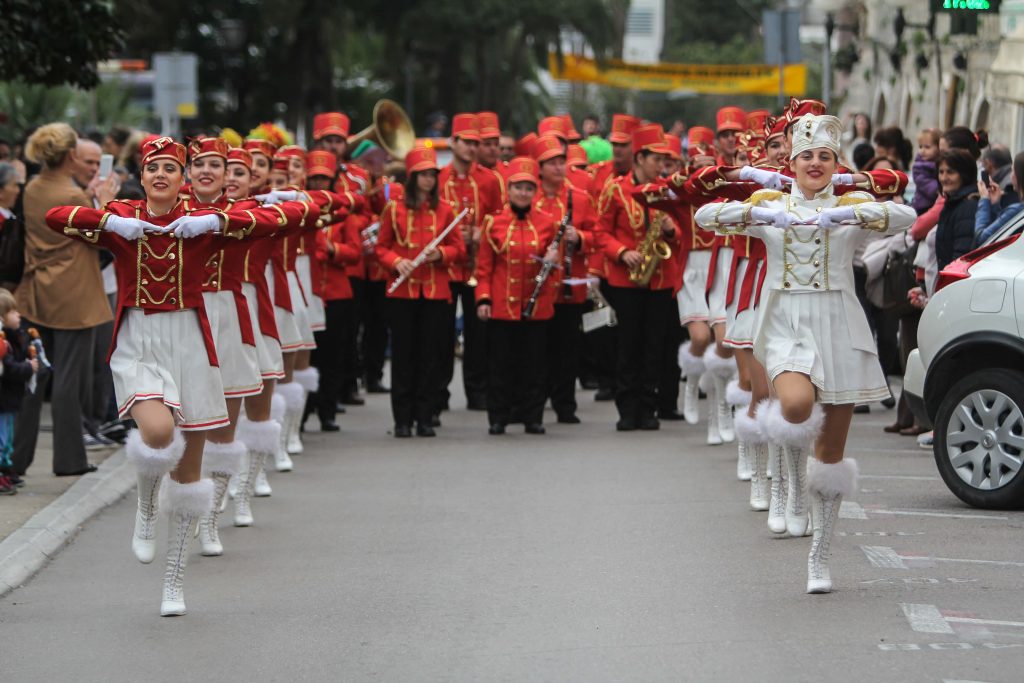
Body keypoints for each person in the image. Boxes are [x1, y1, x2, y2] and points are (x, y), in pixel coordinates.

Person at [44, 135, 293, 616]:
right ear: (142, 175)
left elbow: (275, 218)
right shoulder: (124, 218)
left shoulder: (199, 224)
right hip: (140, 342)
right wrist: (110, 220)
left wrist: (213, 218)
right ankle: (145, 505)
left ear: (182, 181)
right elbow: (57, 217)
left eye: (170, 169)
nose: (161, 175)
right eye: (153, 167)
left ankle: (174, 579)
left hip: (192, 344)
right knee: (157, 432)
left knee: (189, 471)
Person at [696, 113, 916, 594]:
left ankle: (820, 556)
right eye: (806, 156)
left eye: (824, 156)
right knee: (794, 406)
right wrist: (756, 214)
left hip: (839, 323)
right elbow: (704, 216)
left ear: (834, 164)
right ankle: (786, 484)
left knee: (832, 453)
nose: (814, 163)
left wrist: (849, 213)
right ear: (791, 163)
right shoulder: (771, 200)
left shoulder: (850, 202)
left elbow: (907, 216)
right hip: (785, 323)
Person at [14, 123, 115, 478]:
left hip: (36, 291)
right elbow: (103, 237)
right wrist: (104, 200)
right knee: (70, 381)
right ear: (71, 155)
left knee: (34, 376)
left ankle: (17, 459)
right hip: (74, 295)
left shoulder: (31, 189)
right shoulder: (74, 198)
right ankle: (69, 459)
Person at [595, 123, 680, 431]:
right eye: (656, 159)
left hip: (660, 279)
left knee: (654, 345)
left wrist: (672, 230)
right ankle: (627, 408)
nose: (661, 165)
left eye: (664, 159)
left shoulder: (667, 189)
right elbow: (600, 232)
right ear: (640, 158)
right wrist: (621, 252)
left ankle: (649, 407)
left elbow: (680, 233)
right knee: (628, 344)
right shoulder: (615, 188)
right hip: (626, 279)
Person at [375, 146, 465, 437]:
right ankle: (402, 419)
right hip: (402, 295)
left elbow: (459, 249)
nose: (429, 180)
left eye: (432, 175)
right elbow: (381, 248)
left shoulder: (446, 210)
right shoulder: (394, 209)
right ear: (412, 177)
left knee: (430, 356)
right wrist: (397, 262)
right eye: (424, 175)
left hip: (435, 293)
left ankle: (425, 417)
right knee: (403, 356)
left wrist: (440, 254)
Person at [475, 156, 559, 435]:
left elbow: (556, 271)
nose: (523, 193)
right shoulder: (493, 223)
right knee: (501, 365)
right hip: (502, 304)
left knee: (535, 365)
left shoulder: (548, 223)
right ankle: (499, 416)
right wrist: (483, 299)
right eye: (518, 188)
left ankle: (532, 416)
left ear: (535, 191)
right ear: (508, 190)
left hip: (538, 305)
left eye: (528, 188)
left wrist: (553, 258)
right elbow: (484, 267)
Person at [438, 113, 503, 412]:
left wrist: (482, 231)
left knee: (479, 333)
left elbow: (502, 217)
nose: (473, 148)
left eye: (477, 143)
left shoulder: (490, 180)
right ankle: (439, 394)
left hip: (478, 267)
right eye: (467, 142)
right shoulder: (438, 179)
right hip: (446, 267)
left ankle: (478, 392)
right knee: (442, 333)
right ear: (454, 143)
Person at [532, 134, 596, 424]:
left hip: (570, 285)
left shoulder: (578, 199)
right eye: (552, 163)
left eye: (562, 162)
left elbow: (597, 235)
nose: (559, 168)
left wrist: (579, 236)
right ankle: (535, 401)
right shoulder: (528, 196)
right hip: (537, 283)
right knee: (538, 347)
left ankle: (565, 405)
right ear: (540, 167)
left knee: (567, 348)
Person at [0, 289, 39, 494]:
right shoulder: (3, 342)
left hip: (11, 400)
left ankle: (6, 471)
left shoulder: (16, 337)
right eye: (13, 311)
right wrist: (28, 368)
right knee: (2, 438)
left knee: (7, 440)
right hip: (4, 400)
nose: (19, 315)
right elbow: (8, 368)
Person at [935, 149, 980, 271]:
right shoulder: (952, 203)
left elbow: (962, 256)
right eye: (941, 172)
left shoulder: (968, 206)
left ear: (964, 174)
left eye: (950, 172)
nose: (944, 178)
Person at [975, 150, 1024, 246]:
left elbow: (982, 238)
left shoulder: (1017, 210)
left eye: (1013, 170)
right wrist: (995, 204)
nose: (1011, 176)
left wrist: (984, 199)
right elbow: (999, 231)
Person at [980, 145, 1020, 209]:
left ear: (988, 163)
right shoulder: (1015, 180)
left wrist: (984, 200)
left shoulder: (1008, 187)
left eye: (982, 163)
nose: (982, 167)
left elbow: (1006, 216)